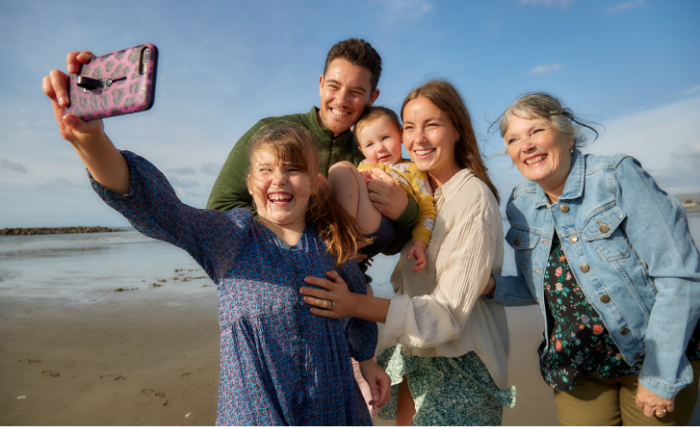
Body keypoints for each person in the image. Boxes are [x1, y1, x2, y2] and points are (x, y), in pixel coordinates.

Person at [42, 52, 391, 426]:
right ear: (249, 183)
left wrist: (367, 360)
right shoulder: (229, 237)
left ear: (314, 183)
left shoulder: (332, 244)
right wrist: (91, 140)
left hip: (336, 408)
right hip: (257, 411)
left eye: (294, 170)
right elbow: (160, 209)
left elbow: (357, 306)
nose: (279, 180)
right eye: (266, 170)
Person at [300, 80, 516, 426]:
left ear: (457, 129)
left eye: (432, 124)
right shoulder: (419, 191)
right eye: (410, 127)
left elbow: (447, 315)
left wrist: (355, 306)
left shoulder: (473, 200)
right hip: (417, 349)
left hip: (463, 359)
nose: (419, 139)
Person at [483, 92, 700, 425]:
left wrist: (660, 374)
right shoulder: (522, 203)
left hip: (649, 357)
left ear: (567, 136)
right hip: (578, 367)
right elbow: (546, 287)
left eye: (536, 131)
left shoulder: (616, 177)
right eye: (513, 139)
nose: (525, 145)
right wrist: (492, 286)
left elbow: (679, 275)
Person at [206, 38, 419, 258]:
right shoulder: (269, 132)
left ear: (372, 97)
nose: (341, 99)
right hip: (271, 270)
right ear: (321, 83)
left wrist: (406, 212)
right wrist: (309, 237)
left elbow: (392, 247)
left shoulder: (369, 157)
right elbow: (220, 207)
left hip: (344, 284)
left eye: (355, 92)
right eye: (333, 86)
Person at [328, 106, 435, 271]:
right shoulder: (362, 167)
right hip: (364, 233)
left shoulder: (414, 171)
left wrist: (420, 244)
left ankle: (343, 238)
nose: (379, 148)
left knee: (342, 168)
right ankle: (347, 244)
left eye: (385, 138)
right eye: (370, 144)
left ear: (400, 134)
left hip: (385, 227)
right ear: (361, 149)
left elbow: (427, 209)